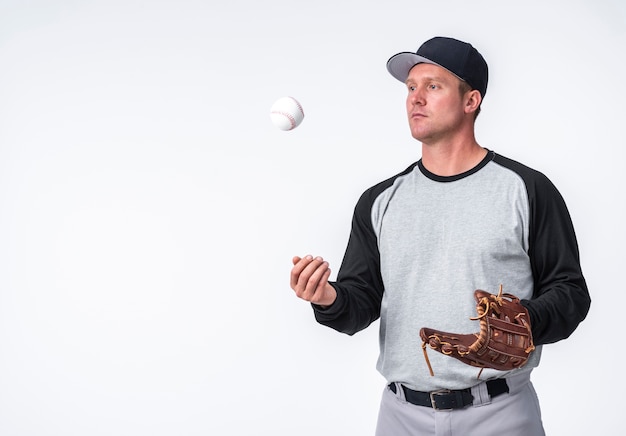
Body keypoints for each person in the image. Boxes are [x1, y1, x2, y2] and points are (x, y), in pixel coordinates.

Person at [289, 36, 590, 436]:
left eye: (433, 86)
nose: (416, 98)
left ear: (471, 101)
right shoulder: (379, 201)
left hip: (499, 412)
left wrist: (524, 322)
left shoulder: (526, 189)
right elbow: (360, 301)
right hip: (402, 415)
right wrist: (327, 297)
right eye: (411, 88)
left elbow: (571, 292)